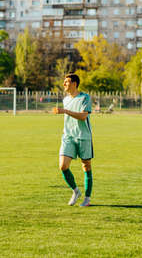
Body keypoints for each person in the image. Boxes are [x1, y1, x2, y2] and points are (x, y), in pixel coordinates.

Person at [53, 73, 93, 207]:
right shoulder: (65, 99)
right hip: (68, 137)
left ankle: (87, 199)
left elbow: (83, 116)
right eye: (64, 81)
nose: (64, 84)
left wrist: (65, 111)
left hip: (83, 136)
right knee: (63, 166)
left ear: (74, 83)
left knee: (86, 166)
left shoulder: (85, 98)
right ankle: (76, 191)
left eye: (67, 81)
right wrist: (65, 111)